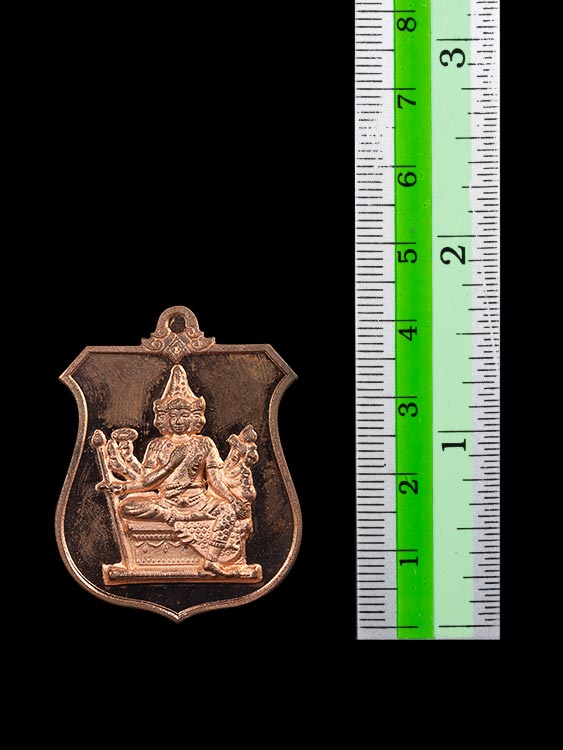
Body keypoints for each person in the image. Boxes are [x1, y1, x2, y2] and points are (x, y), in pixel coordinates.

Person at [114, 370, 245, 575]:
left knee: (227, 511)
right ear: (164, 418)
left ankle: (211, 561)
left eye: (184, 415)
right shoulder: (157, 445)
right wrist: (124, 488)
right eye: (173, 416)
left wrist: (232, 499)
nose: (178, 421)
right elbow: (147, 483)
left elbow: (215, 481)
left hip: (199, 501)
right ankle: (176, 517)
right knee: (126, 507)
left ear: (194, 417)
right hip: (167, 503)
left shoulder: (204, 443)